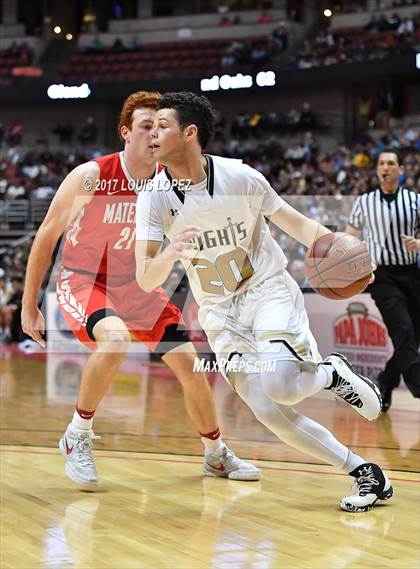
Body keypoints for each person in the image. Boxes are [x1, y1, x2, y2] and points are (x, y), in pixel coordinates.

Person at [135, 92, 393, 513]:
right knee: (267, 409)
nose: (152, 133)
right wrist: (168, 252)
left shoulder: (241, 178)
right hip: (220, 313)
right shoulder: (154, 196)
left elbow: (297, 224)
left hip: (266, 291)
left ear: (190, 133)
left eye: (162, 125)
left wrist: (355, 258)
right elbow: (146, 278)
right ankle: (364, 472)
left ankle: (330, 373)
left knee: (279, 385)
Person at [21, 91, 260, 491]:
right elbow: (46, 237)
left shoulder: (171, 185)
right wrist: (29, 305)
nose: (154, 135)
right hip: (84, 280)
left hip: (137, 286)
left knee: (191, 366)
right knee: (114, 340)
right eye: (146, 126)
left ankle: (215, 454)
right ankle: (77, 434)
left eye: (160, 127)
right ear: (125, 133)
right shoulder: (91, 176)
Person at [346, 149, 420, 411]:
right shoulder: (364, 202)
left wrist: (418, 243)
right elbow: (349, 237)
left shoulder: (414, 200)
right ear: (377, 170)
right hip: (382, 276)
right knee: (403, 329)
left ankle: (386, 380)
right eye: (381, 164)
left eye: (391, 163)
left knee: (414, 335)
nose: (385, 167)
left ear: (401, 170)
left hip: (412, 273)